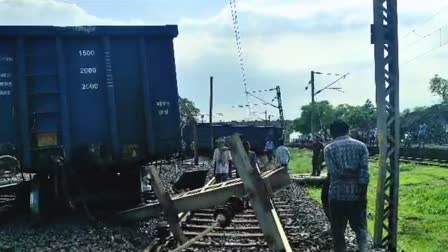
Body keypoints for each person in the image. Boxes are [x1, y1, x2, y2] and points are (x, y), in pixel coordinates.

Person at [324, 119, 369, 252]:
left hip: (337, 195)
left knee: (338, 230)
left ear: (332, 133)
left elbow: (334, 173)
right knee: (360, 227)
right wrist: (362, 189)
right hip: (357, 194)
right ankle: (364, 249)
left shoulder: (329, 148)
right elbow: (364, 172)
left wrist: (346, 173)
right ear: (348, 130)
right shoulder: (361, 146)